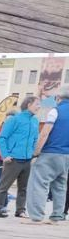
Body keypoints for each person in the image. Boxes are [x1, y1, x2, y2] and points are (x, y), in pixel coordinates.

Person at [0, 96, 40, 217]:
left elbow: (35, 139)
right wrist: (5, 155)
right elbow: (2, 138)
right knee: (4, 186)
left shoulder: (35, 121)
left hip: (28, 159)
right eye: (37, 104)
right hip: (13, 159)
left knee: (24, 187)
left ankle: (20, 210)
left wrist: (33, 154)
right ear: (29, 104)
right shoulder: (14, 120)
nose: (39, 107)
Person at [24, 85, 68, 224]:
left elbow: (44, 133)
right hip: (66, 155)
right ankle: (57, 216)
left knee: (38, 183)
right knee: (60, 185)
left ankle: (36, 216)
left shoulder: (55, 111)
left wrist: (36, 152)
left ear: (58, 98)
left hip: (50, 152)